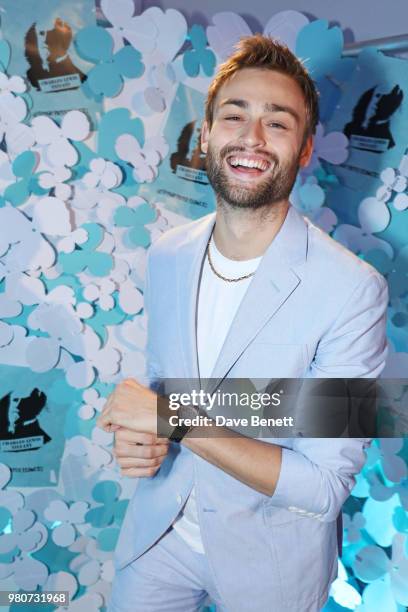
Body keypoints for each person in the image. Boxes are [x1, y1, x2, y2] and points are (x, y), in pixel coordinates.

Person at [98, 34, 388, 612]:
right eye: (235, 116)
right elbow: (164, 386)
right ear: (206, 135)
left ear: (305, 150)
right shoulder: (168, 255)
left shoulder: (356, 290)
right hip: (158, 538)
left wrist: (173, 418)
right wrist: (143, 438)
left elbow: (325, 487)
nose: (251, 138)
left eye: (277, 124)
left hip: (272, 566)